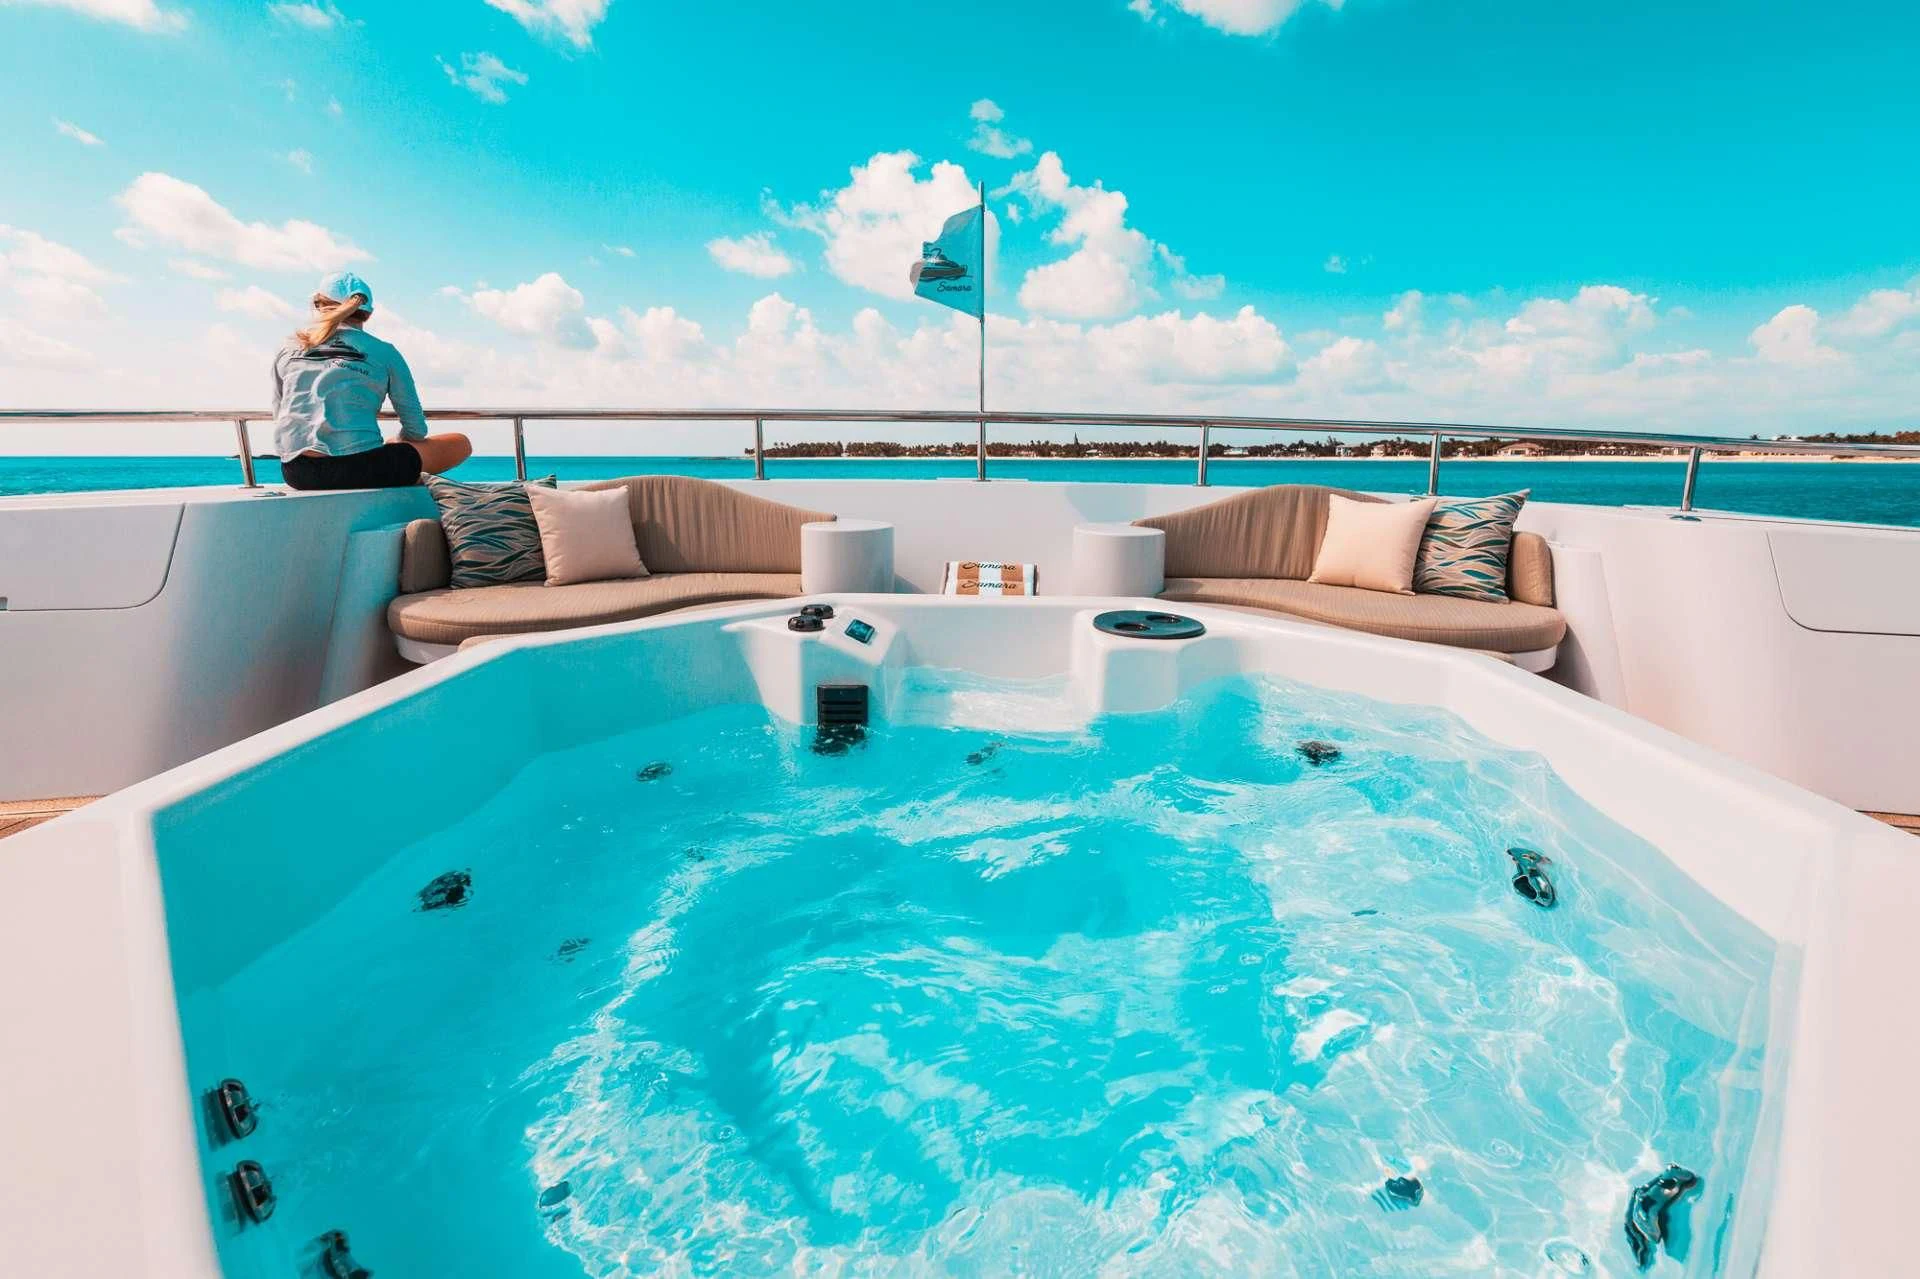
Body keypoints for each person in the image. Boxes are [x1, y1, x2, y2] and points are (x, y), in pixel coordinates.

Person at [271, 271, 472, 489]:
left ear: (318, 304)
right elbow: (416, 430)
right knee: (460, 443)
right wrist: (397, 442)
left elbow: (279, 413)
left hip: (297, 472)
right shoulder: (385, 353)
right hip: (365, 468)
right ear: (368, 314)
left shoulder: (288, 348)